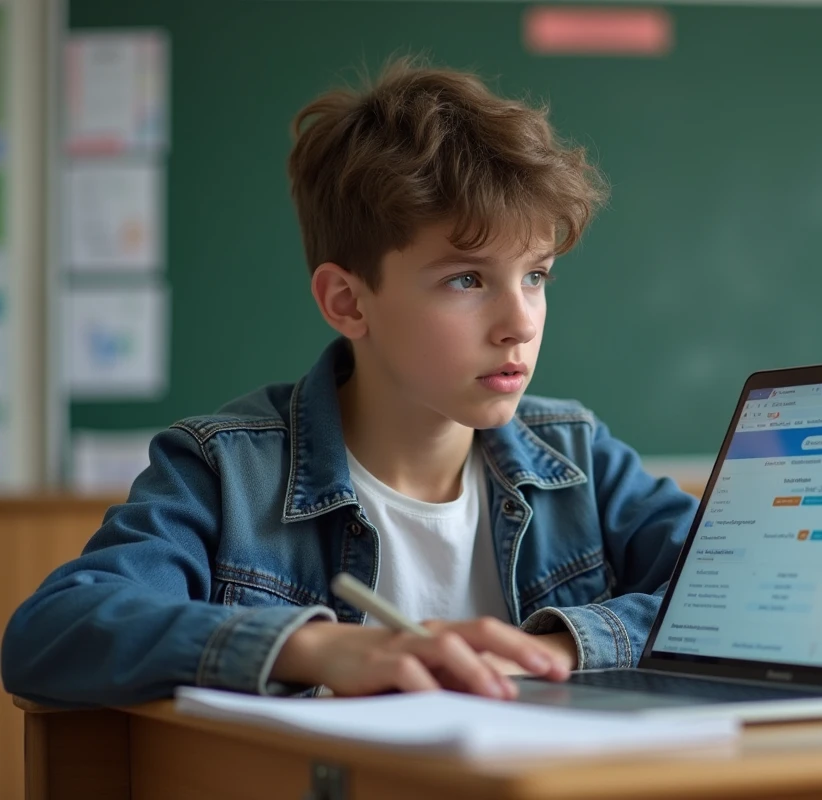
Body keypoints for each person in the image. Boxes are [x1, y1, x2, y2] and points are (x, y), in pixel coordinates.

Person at [2, 59, 698, 707]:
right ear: (347, 302)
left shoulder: (576, 458)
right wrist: (320, 648)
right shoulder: (227, 473)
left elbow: (737, 601)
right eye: (467, 279)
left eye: (536, 276)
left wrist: (546, 652)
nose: (520, 322)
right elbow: (55, 628)